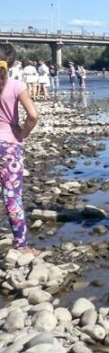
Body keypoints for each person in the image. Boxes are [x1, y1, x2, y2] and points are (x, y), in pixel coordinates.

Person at [0, 43, 39, 253]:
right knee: (12, 196)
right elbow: (33, 116)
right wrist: (21, 135)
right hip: (8, 147)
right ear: (13, 63)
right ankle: (21, 245)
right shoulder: (16, 85)